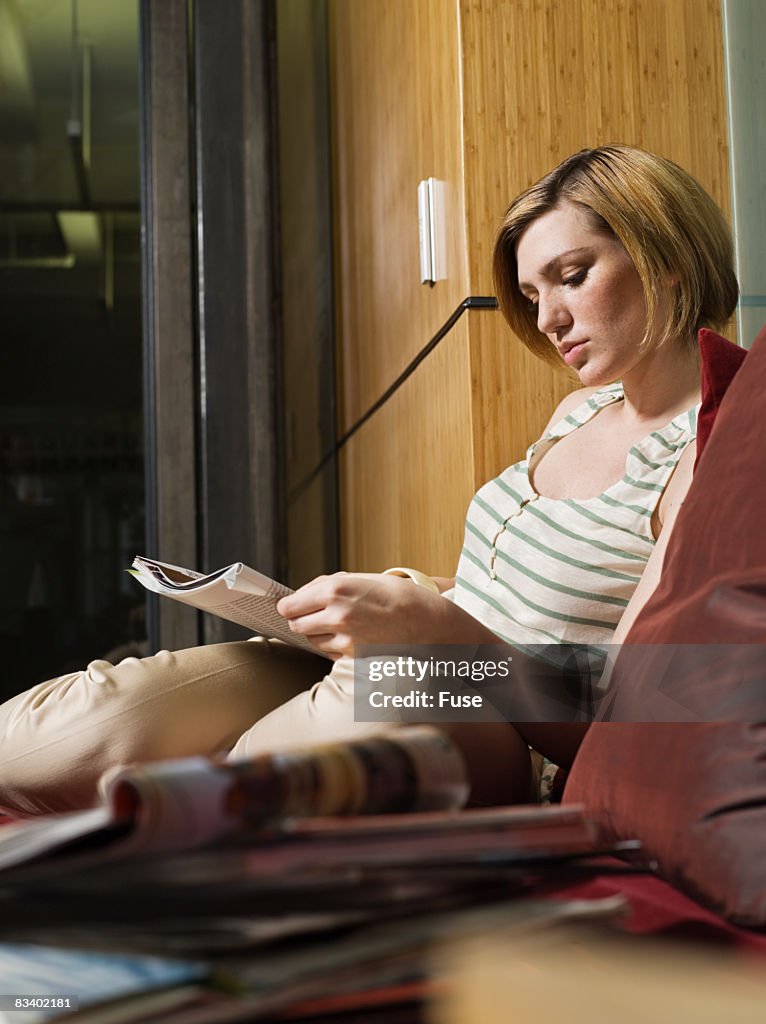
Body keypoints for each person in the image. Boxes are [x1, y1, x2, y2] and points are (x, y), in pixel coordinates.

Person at [0, 146, 738, 817]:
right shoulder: (581, 409)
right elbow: (517, 594)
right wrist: (404, 604)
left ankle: (175, 813)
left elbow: (634, 713)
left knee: (366, 709)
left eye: (572, 277)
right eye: (533, 292)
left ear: (665, 256)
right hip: (419, 664)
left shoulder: (705, 453)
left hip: (508, 729)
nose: (548, 317)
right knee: (92, 720)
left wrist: (443, 632)